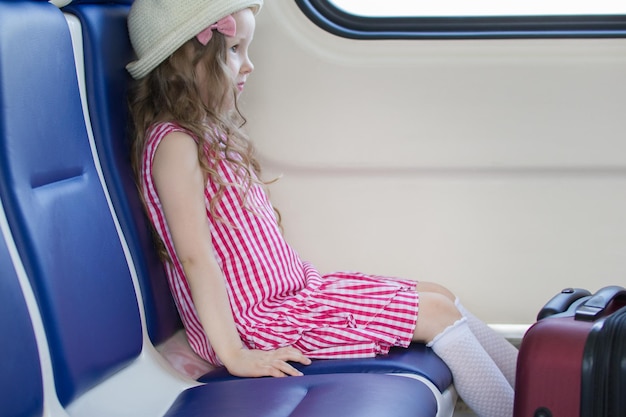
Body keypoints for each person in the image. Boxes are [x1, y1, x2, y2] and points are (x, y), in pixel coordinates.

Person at [126, 1, 518, 416]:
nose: (249, 66)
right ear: (187, 58)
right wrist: (234, 353)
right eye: (235, 49)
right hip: (255, 322)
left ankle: (547, 397)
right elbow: (195, 257)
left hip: (294, 294)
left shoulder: (207, 132)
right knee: (436, 313)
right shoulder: (174, 144)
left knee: (439, 294)